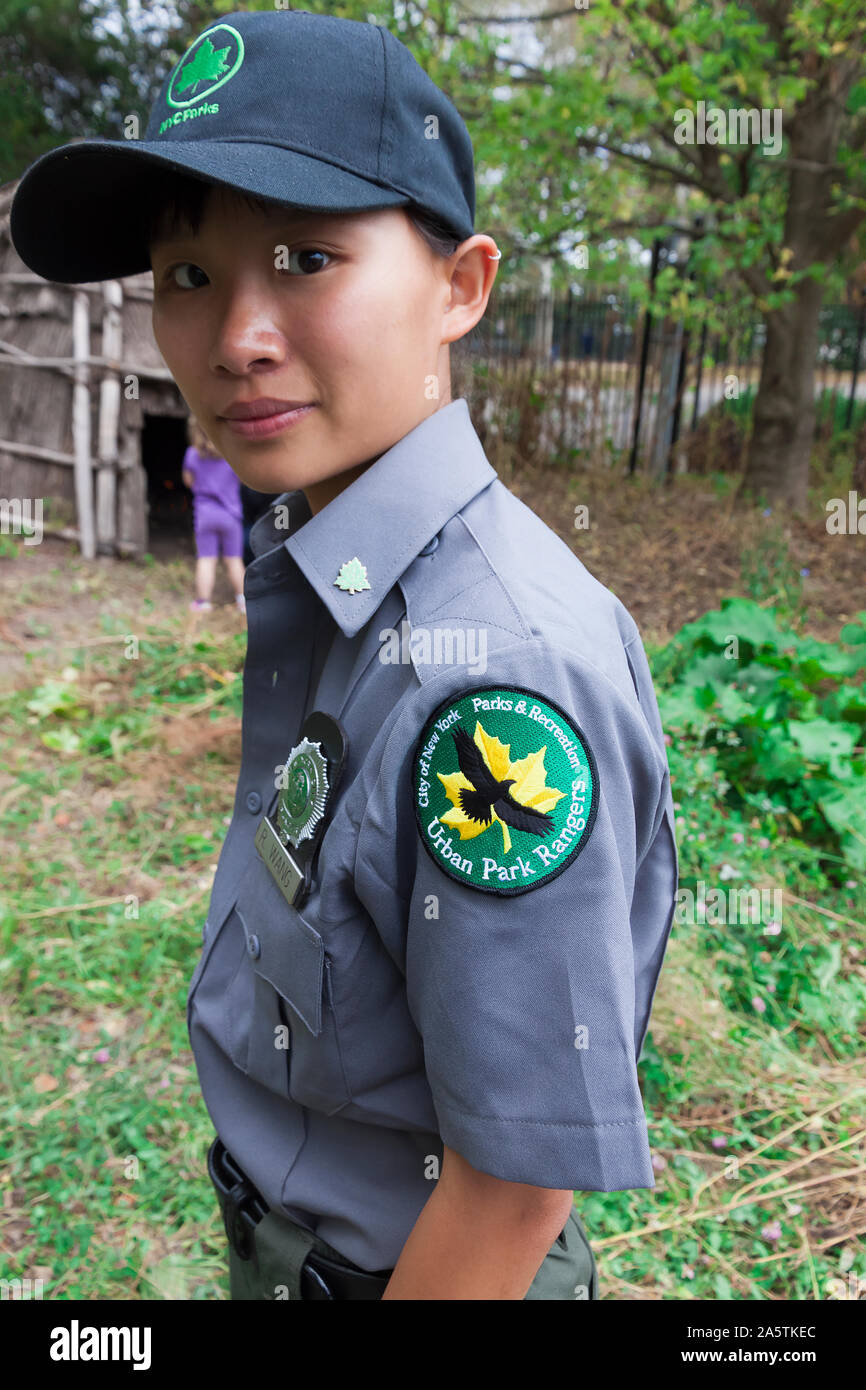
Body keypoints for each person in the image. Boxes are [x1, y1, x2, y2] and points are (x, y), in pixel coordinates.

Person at [10, 9, 678, 1300]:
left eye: (306, 256)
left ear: (460, 287)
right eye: (187, 275)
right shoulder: (330, 569)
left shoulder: (492, 680)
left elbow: (511, 1182)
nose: (233, 336)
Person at [182, 417, 246, 613]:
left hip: (205, 514)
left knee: (206, 559)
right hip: (231, 516)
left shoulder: (192, 454)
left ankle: (203, 603)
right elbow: (243, 479)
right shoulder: (231, 455)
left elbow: (188, 481)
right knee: (233, 559)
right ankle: (243, 602)